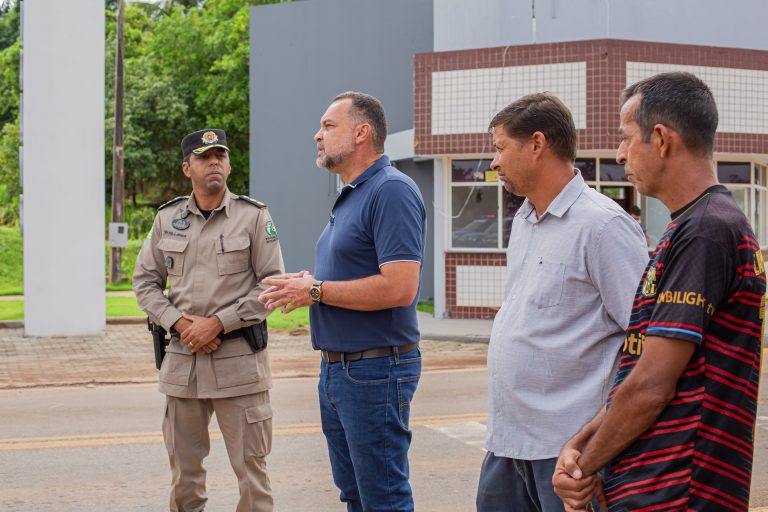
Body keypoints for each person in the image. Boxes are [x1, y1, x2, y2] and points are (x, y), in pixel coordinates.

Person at [552, 72, 766, 512]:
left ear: (662, 139)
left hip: (680, 490)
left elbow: (652, 384)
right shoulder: (688, 227)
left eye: (626, 138)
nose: (619, 154)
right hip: (652, 484)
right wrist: (581, 441)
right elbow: (636, 366)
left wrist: (584, 467)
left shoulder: (707, 231)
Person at [476, 93, 648, 511]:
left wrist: (602, 444)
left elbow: (644, 341)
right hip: (507, 443)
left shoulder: (603, 226)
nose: (493, 163)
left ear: (537, 144)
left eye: (500, 148)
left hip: (569, 453)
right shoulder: (523, 219)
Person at [257, 92, 427, 512]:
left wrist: (316, 291)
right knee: (355, 496)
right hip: (339, 370)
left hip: (375, 369)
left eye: (329, 126)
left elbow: (400, 288)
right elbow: (351, 276)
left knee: (382, 499)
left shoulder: (391, 190)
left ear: (362, 132)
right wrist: (310, 283)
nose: (317, 135)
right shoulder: (352, 193)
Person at [133, 129, 284, 512]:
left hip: (239, 367)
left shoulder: (253, 217)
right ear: (188, 168)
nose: (214, 162)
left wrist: (216, 323)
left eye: (220, 155)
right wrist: (182, 324)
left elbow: (271, 287)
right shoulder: (167, 219)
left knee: (253, 476)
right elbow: (145, 283)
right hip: (183, 365)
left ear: (229, 164)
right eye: (204, 157)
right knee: (184, 478)